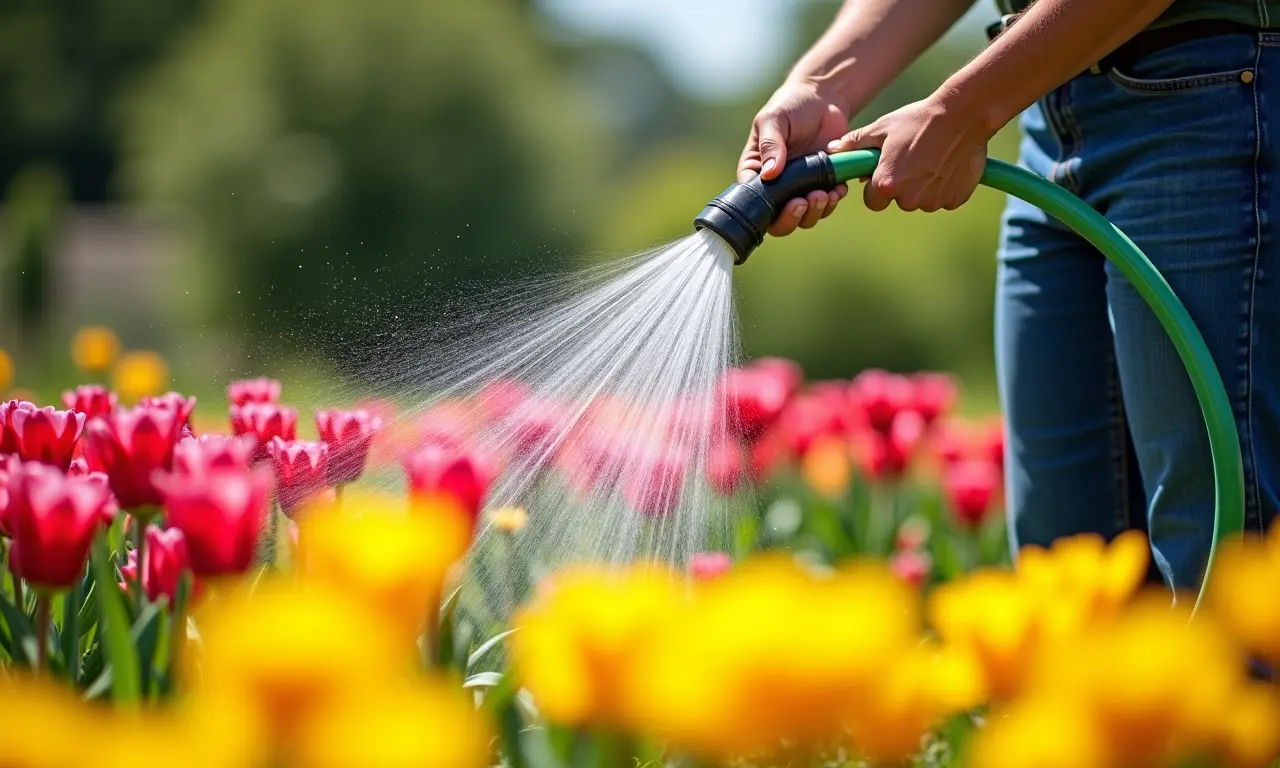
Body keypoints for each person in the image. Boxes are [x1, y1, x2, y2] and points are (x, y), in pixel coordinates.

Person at [741, 0, 1280, 596]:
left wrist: (963, 110)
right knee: (1063, 575)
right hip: (1044, 111)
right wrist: (820, 86)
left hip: (1209, 89)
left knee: (1223, 566)